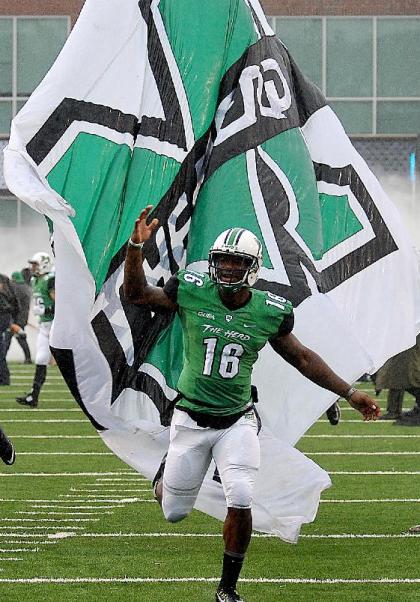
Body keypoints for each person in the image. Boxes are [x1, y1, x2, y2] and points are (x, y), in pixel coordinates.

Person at [123, 206, 380, 602]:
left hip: (237, 421)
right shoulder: (191, 290)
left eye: (235, 261)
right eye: (222, 260)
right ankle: (164, 473)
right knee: (173, 510)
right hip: (190, 418)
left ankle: (227, 587)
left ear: (252, 267)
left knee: (240, 496)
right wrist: (136, 247)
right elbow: (137, 294)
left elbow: (303, 358)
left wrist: (349, 392)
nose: (226, 268)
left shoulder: (269, 311)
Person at [16, 252, 55, 408]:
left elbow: (61, 304)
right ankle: (34, 396)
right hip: (44, 326)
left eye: (35, 264)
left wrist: (45, 311)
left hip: (55, 325)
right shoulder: (35, 280)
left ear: (44, 264)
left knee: (70, 361)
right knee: (41, 359)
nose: (32, 267)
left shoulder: (50, 280)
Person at [0, 273, 23, 386]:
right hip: (6, 324)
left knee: (1, 353)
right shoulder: (9, 294)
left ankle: (4, 379)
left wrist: (15, 323)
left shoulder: (7, 296)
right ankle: (4, 378)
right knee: (2, 353)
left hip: (4, 324)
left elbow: (15, 308)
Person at [5, 270, 32, 364]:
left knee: (8, 338)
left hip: (15, 318)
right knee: (20, 338)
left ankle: (2, 357)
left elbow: (13, 303)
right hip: (23, 318)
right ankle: (28, 358)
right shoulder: (26, 287)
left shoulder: (15, 288)